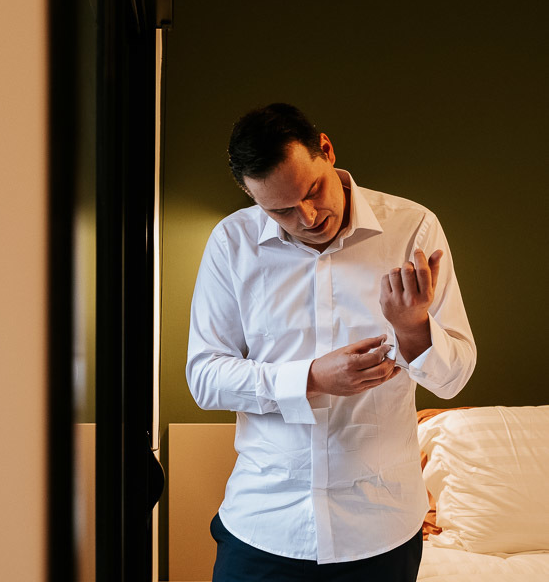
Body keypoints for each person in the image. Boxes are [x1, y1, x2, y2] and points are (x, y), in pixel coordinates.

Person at [186, 103, 476, 581]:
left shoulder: (413, 229)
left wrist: (413, 330)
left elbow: (455, 379)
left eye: (312, 191)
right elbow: (204, 378)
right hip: (265, 524)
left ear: (326, 149)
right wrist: (310, 378)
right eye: (279, 210)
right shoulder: (230, 244)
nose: (306, 217)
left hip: (380, 528)